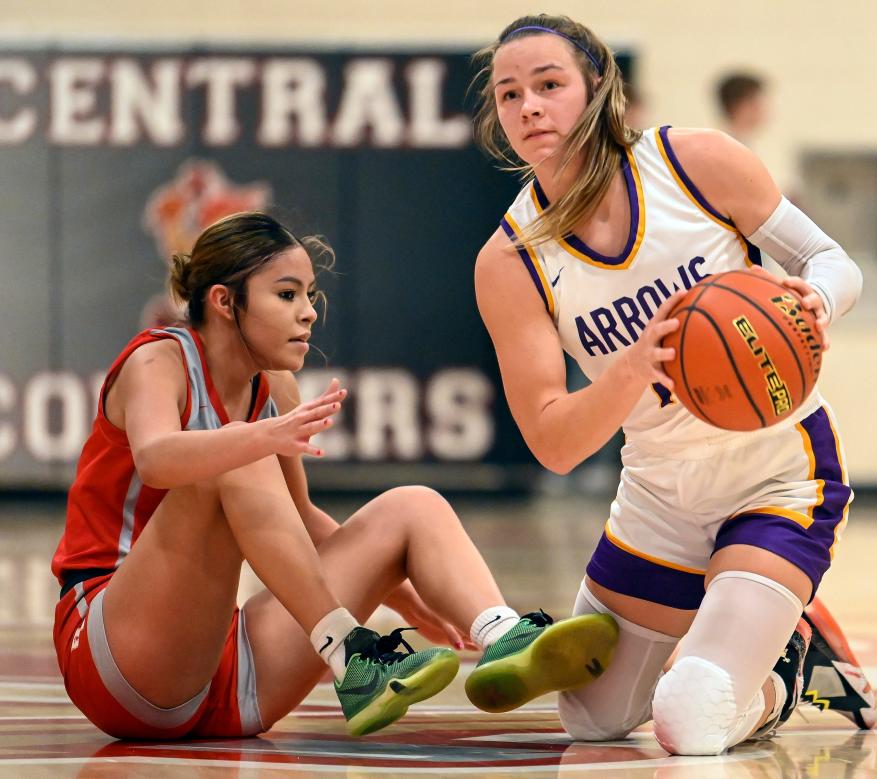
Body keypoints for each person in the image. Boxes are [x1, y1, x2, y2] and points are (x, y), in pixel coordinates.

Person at [470, 15, 877, 755]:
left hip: (777, 476)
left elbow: (829, 257)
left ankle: (779, 672)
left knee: (689, 716)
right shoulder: (509, 261)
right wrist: (632, 367)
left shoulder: (692, 162)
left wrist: (818, 298)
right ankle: (757, 628)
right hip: (660, 493)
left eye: (549, 84)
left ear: (597, 89)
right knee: (590, 720)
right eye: (509, 94)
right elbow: (553, 441)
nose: (529, 106)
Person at [51, 212, 618, 740]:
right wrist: (261, 438)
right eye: (287, 294)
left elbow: (299, 521)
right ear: (225, 301)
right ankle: (351, 655)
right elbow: (155, 458)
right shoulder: (157, 361)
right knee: (232, 455)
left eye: (311, 296)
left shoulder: (274, 388)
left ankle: (501, 634)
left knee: (411, 505)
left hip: (225, 677)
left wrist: (403, 594)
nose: (309, 312)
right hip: (113, 655)